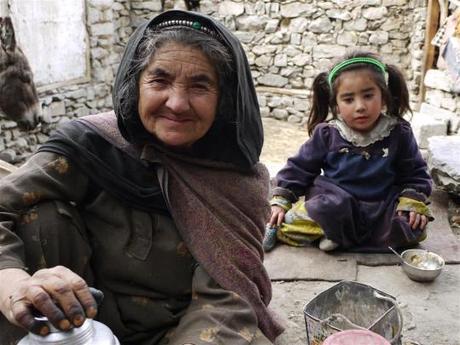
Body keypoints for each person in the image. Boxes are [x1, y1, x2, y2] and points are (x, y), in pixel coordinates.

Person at [0, 10, 284, 345]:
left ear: (224, 101)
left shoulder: (234, 183)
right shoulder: (91, 145)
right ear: (135, 86)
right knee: (37, 217)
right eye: (159, 81)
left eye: (200, 85)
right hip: (77, 322)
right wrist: (13, 282)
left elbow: (228, 298)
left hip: (180, 330)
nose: (177, 104)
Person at [265, 51, 433, 253]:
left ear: (384, 96)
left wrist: (412, 201)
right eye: (348, 99)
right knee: (295, 220)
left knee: (415, 228)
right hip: (336, 203)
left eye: (368, 96)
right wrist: (281, 200)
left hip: (381, 206)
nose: (360, 106)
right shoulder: (328, 133)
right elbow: (299, 168)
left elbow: (414, 172)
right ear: (336, 104)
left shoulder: (399, 132)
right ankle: (327, 231)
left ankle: (335, 236)